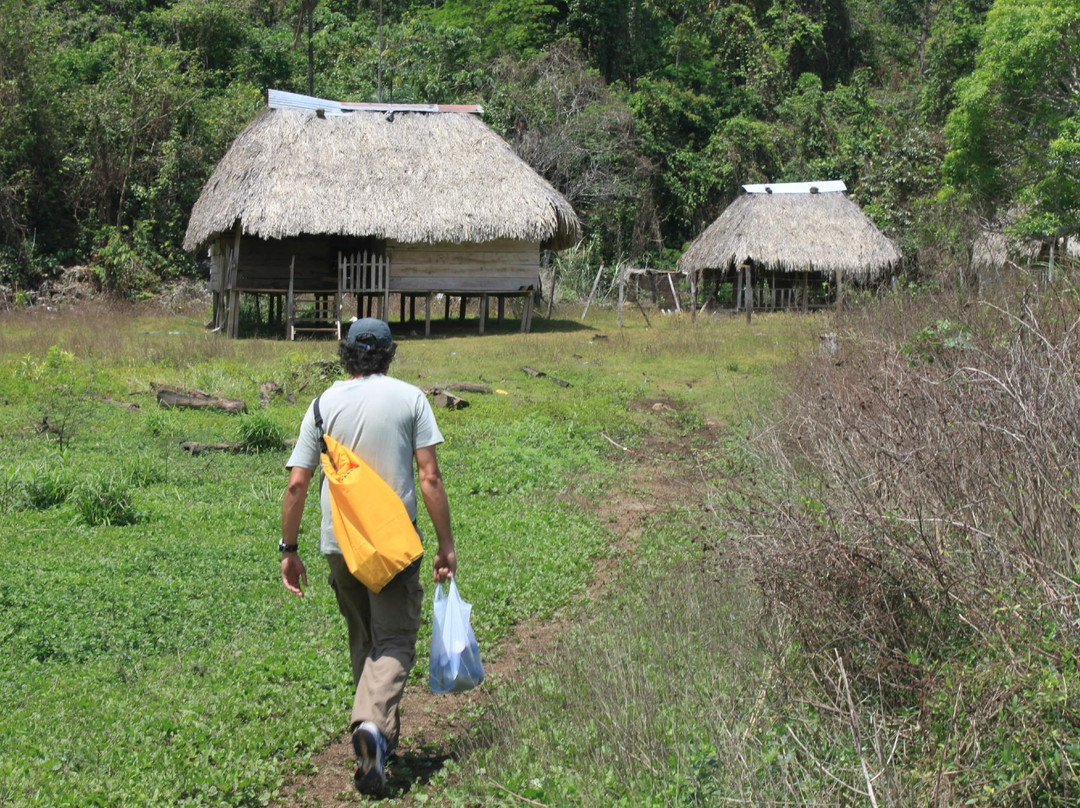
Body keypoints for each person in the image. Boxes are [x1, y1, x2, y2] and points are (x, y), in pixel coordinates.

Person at [279, 317, 457, 796]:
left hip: (341, 546)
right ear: (389, 354)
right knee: (395, 639)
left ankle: (377, 738)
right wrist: (446, 545)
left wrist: (289, 549)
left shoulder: (322, 405)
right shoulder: (410, 399)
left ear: (346, 354)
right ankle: (373, 730)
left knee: (364, 639)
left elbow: (297, 482)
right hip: (394, 545)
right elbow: (430, 477)